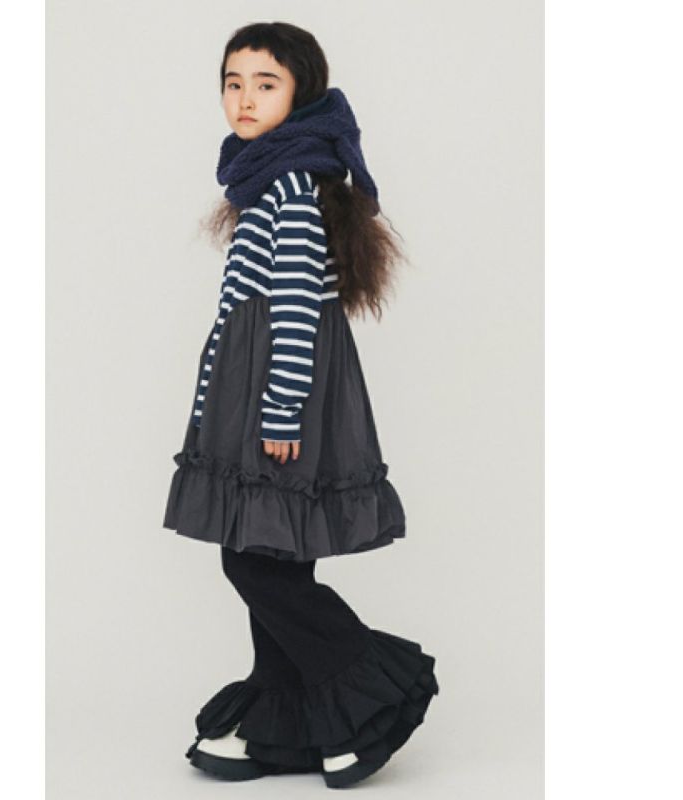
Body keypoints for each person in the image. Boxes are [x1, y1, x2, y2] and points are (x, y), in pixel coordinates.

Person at [162, 22, 440, 789]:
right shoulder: (269, 181)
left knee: (252, 560)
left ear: (302, 95)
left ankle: (370, 689)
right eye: (233, 82)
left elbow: (295, 311)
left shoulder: (288, 188)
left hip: (279, 401)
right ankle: (292, 725)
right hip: (255, 395)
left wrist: (279, 412)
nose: (244, 98)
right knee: (274, 551)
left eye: (266, 83)